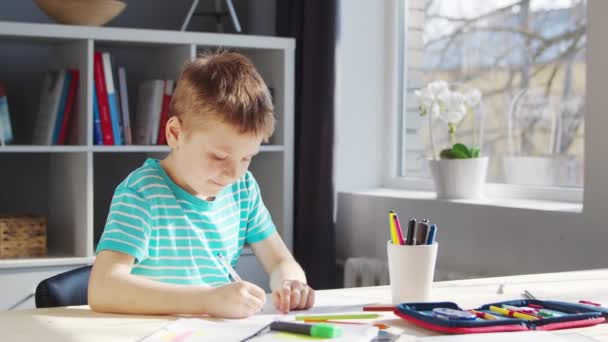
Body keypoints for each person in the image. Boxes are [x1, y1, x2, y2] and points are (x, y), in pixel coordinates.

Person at [88, 51, 314, 319]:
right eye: (219, 156)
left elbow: (279, 261)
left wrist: (290, 282)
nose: (233, 173)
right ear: (175, 134)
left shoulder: (243, 189)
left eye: (246, 158)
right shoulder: (142, 194)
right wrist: (206, 300)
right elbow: (103, 289)